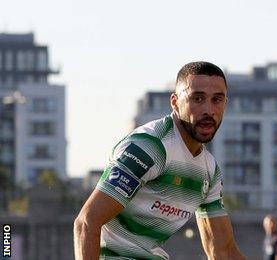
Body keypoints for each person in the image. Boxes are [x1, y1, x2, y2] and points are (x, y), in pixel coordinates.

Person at [74, 61, 245, 259]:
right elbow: (86, 222)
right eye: (197, 99)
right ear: (175, 102)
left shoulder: (209, 170)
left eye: (217, 100)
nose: (208, 110)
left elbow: (223, 251)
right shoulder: (149, 147)